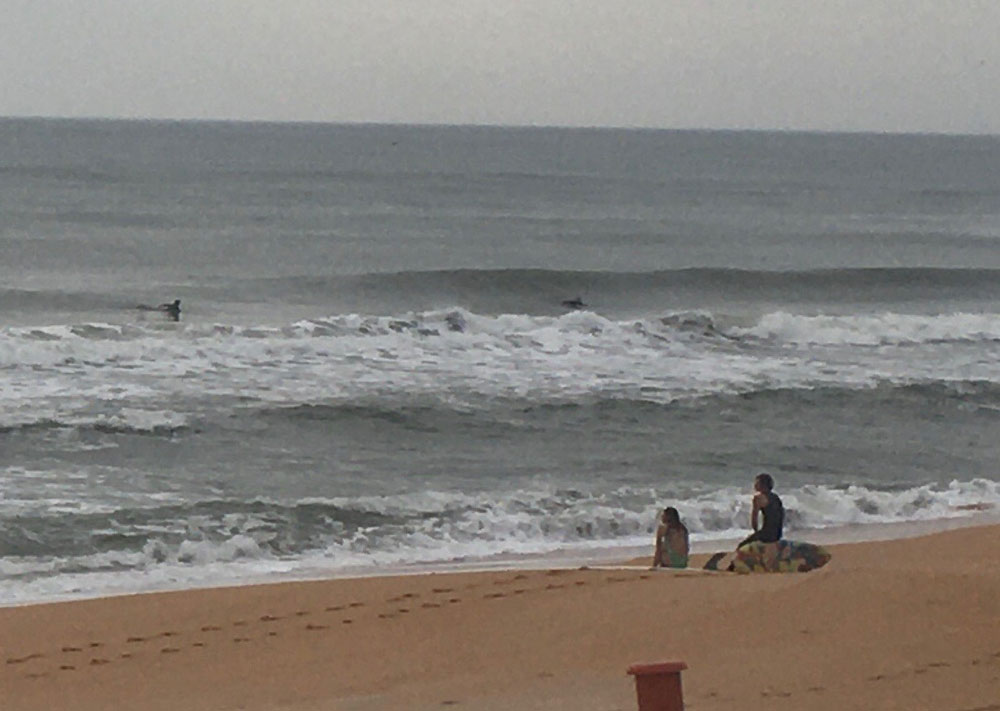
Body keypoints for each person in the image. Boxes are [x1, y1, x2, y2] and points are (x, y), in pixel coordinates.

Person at [738, 472, 784, 548]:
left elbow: (754, 520)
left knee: (741, 546)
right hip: (777, 535)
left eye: (757, 483)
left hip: (767, 536)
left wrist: (756, 534)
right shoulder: (776, 497)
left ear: (763, 485)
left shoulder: (758, 498)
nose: (754, 485)